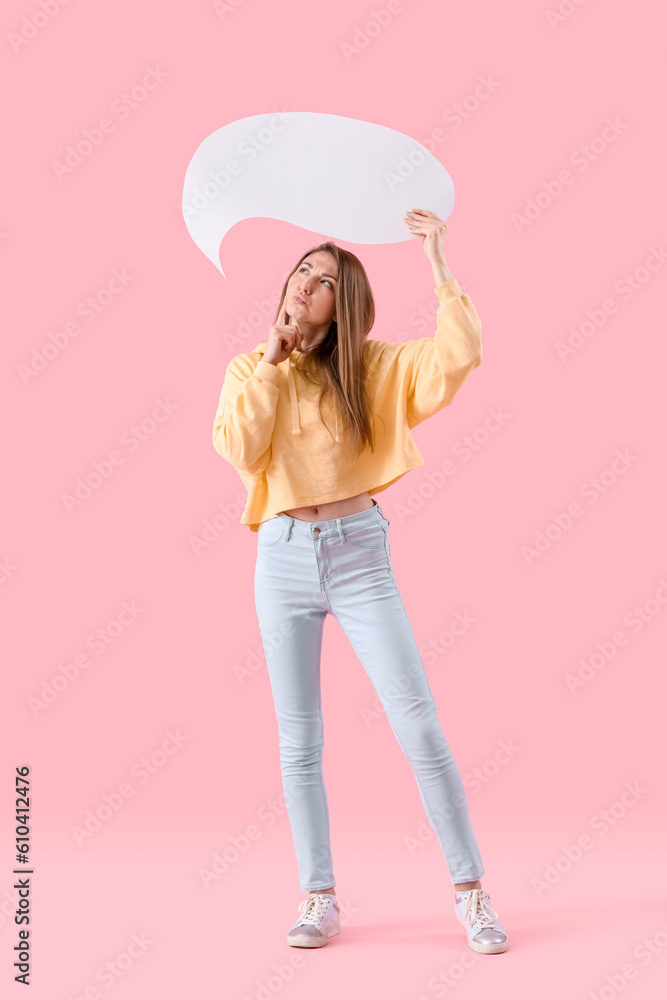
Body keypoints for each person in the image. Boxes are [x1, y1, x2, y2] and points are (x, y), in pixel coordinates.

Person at [212, 209, 508, 955]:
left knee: (417, 725)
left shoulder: (373, 368)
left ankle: (471, 892)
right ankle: (319, 897)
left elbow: (457, 356)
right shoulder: (252, 370)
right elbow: (239, 449)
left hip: (357, 554)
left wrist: (439, 263)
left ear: (343, 307)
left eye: (322, 283)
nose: (303, 286)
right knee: (298, 741)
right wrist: (275, 363)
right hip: (280, 556)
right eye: (299, 273)